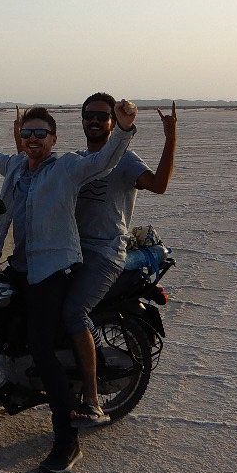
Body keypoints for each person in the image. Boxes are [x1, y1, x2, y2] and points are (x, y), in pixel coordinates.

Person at [0, 101, 137, 473]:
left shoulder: (66, 169)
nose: (32, 140)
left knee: (41, 348)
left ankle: (67, 440)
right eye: (27, 133)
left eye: (40, 134)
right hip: (19, 266)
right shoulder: (15, 166)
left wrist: (124, 130)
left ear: (53, 138)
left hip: (51, 271)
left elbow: (103, 162)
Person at [64, 95, 177, 425]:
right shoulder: (79, 159)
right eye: (89, 115)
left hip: (106, 253)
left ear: (114, 121)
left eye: (103, 115)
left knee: (74, 312)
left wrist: (170, 138)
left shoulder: (125, 159)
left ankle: (91, 400)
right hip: (72, 251)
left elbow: (159, 184)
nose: (95, 121)